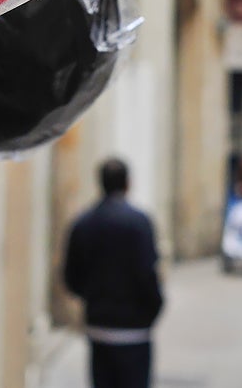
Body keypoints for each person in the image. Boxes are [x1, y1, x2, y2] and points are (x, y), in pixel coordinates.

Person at [64, 158, 165, 388]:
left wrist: (93, 298)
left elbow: (71, 277)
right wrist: (153, 308)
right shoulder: (139, 222)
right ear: (128, 184)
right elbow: (147, 273)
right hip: (134, 330)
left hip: (99, 326)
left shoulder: (83, 223)